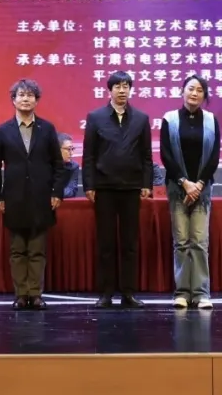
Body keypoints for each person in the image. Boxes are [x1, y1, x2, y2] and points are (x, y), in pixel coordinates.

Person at [0, 79, 66, 310]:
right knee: (17, 250)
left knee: (37, 250)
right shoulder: (3, 130)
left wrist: (57, 192)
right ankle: (21, 295)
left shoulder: (47, 129)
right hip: (13, 199)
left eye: (30, 95)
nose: (25, 99)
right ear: (13, 100)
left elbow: (58, 164)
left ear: (36, 100)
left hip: (42, 198)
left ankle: (36, 294)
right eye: (21, 95)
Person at [83, 71, 153, 308]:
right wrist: (89, 184)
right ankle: (106, 293)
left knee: (130, 243)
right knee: (106, 243)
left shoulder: (141, 118)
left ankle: (128, 293)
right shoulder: (95, 117)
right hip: (104, 188)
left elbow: (146, 155)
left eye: (126, 86)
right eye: (118, 86)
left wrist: (146, 183)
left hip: (131, 188)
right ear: (109, 90)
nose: (122, 90)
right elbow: (89, 155)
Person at [160, 74, 221, 309]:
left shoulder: (211, 120)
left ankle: (202, 293)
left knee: (200, 241)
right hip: (178, 189)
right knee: (181, 241)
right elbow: (166, 154)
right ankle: (182, 293)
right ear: (182, 91)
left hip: (202, 191)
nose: (194, 93)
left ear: (204, 95)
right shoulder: (170, 119)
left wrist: (199, 184)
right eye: (190, 89)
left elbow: (214, 156)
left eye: (199, 90)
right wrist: (185, 183)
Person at [58, 133, 82, 198]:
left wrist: (54, 192)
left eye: (72, 149)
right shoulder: (44, 165)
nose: (72, 153)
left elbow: (71, 190)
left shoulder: (74, 167)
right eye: (68, 149)